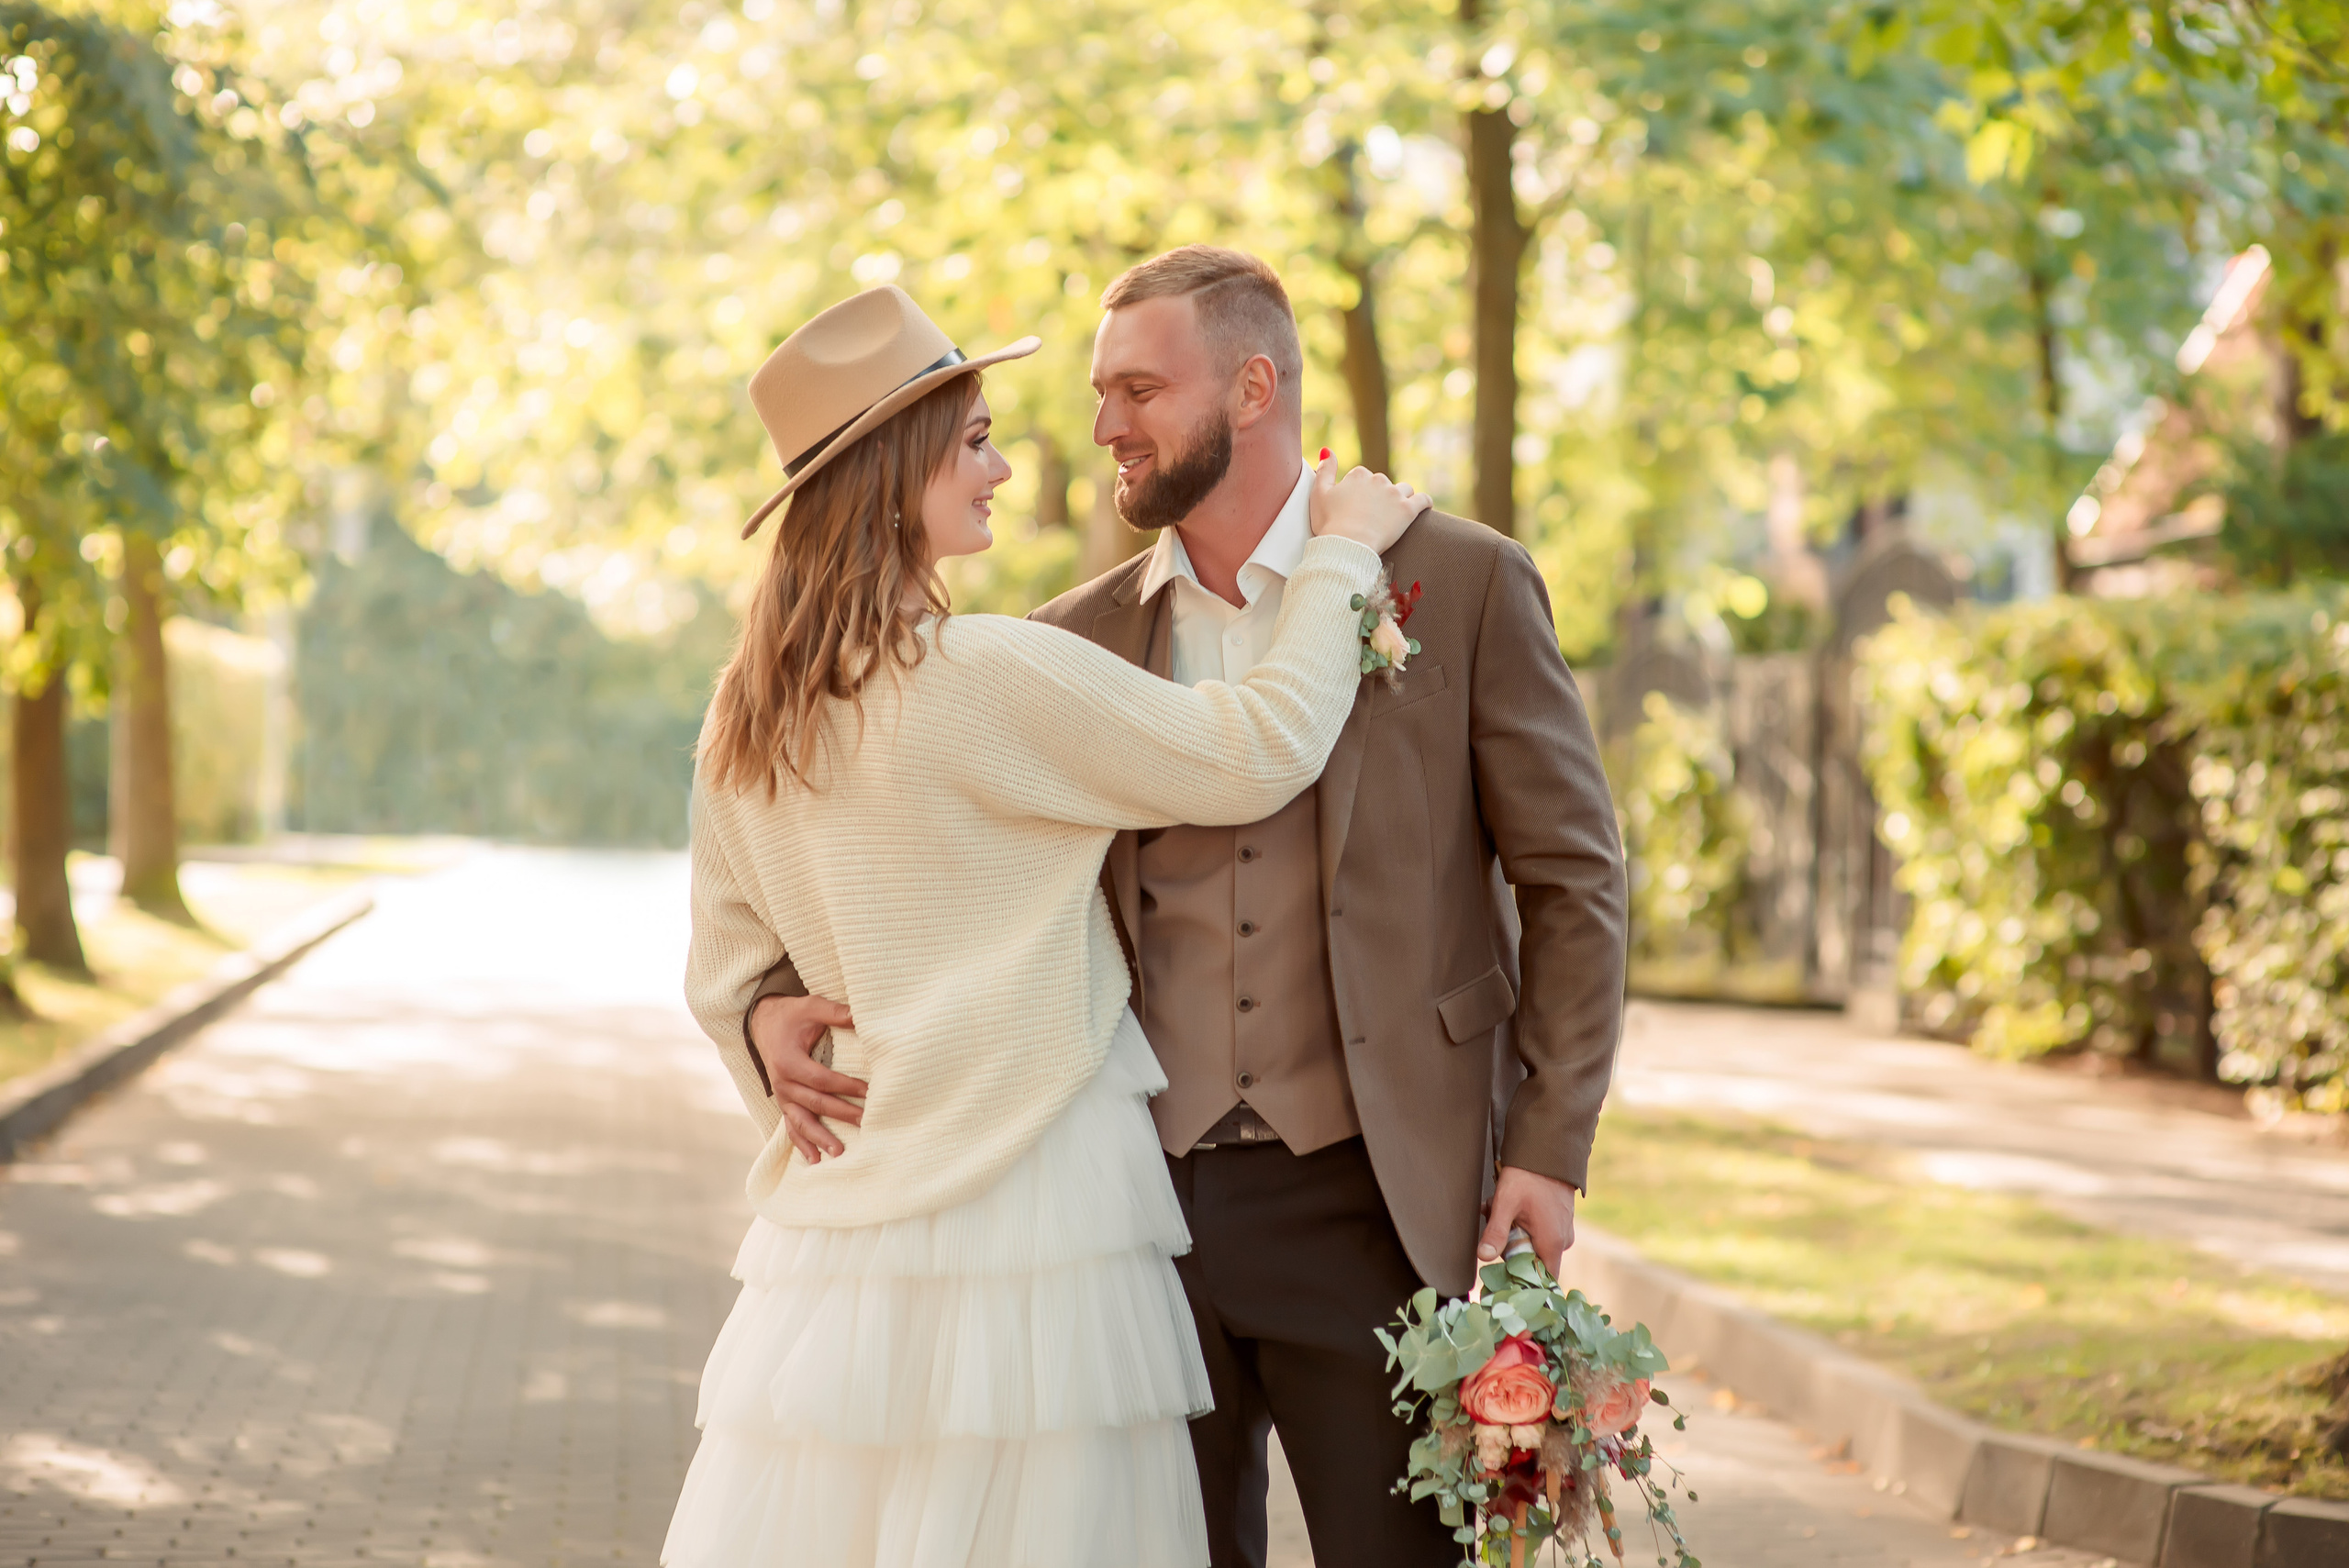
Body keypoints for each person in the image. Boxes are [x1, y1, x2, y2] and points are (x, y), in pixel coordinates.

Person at [746, 248, 1629, 1568]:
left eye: (1137, 389)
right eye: (1101, 392)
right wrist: (763, 998)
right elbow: (847, 853)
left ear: (1253, 386)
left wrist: (1548, 1147)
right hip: (1127, 1223)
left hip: (1376, 1199)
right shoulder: (1067, 636)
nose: (1102, 426)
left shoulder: (1470, 578)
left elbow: (1575, 879)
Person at [664, 282, 1431, 1568]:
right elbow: (1258, 751)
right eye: (973, 441)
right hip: (1036, 1217)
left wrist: (761, 1018)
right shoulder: (982, 679)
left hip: (848, 1240)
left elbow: (723, 972)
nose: (1005, 466)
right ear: (897, 469)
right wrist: (1346, 548)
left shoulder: (746, 716)